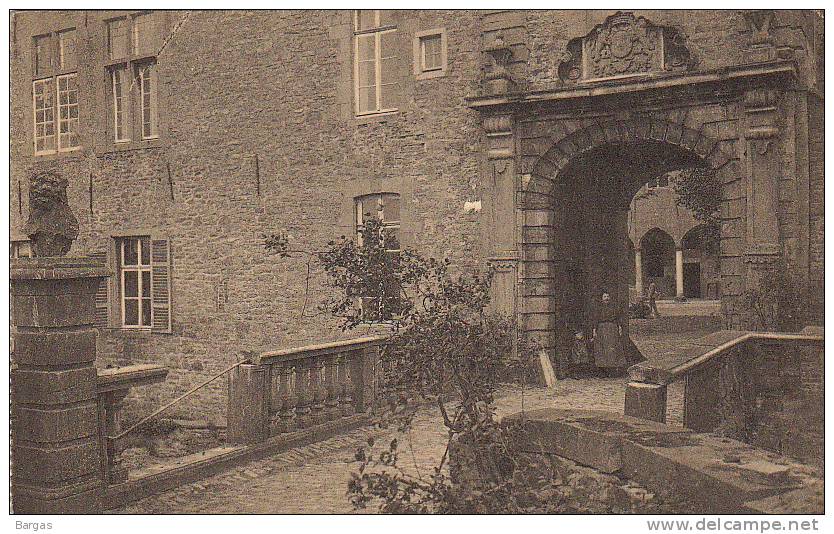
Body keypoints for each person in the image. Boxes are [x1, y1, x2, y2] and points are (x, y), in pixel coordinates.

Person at [592, 291, 627, 376]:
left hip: (612, 329)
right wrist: (594, 330)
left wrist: (619, 327)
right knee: (602, 349)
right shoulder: (598, 308)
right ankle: (603, 370)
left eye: (608, 296)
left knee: (613, 348)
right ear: (601, 298)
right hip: (602, 329)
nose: (607, 298)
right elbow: (595, 320)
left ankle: (613, 369)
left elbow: (618, 318)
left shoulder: (614, 308)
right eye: (605, 297)